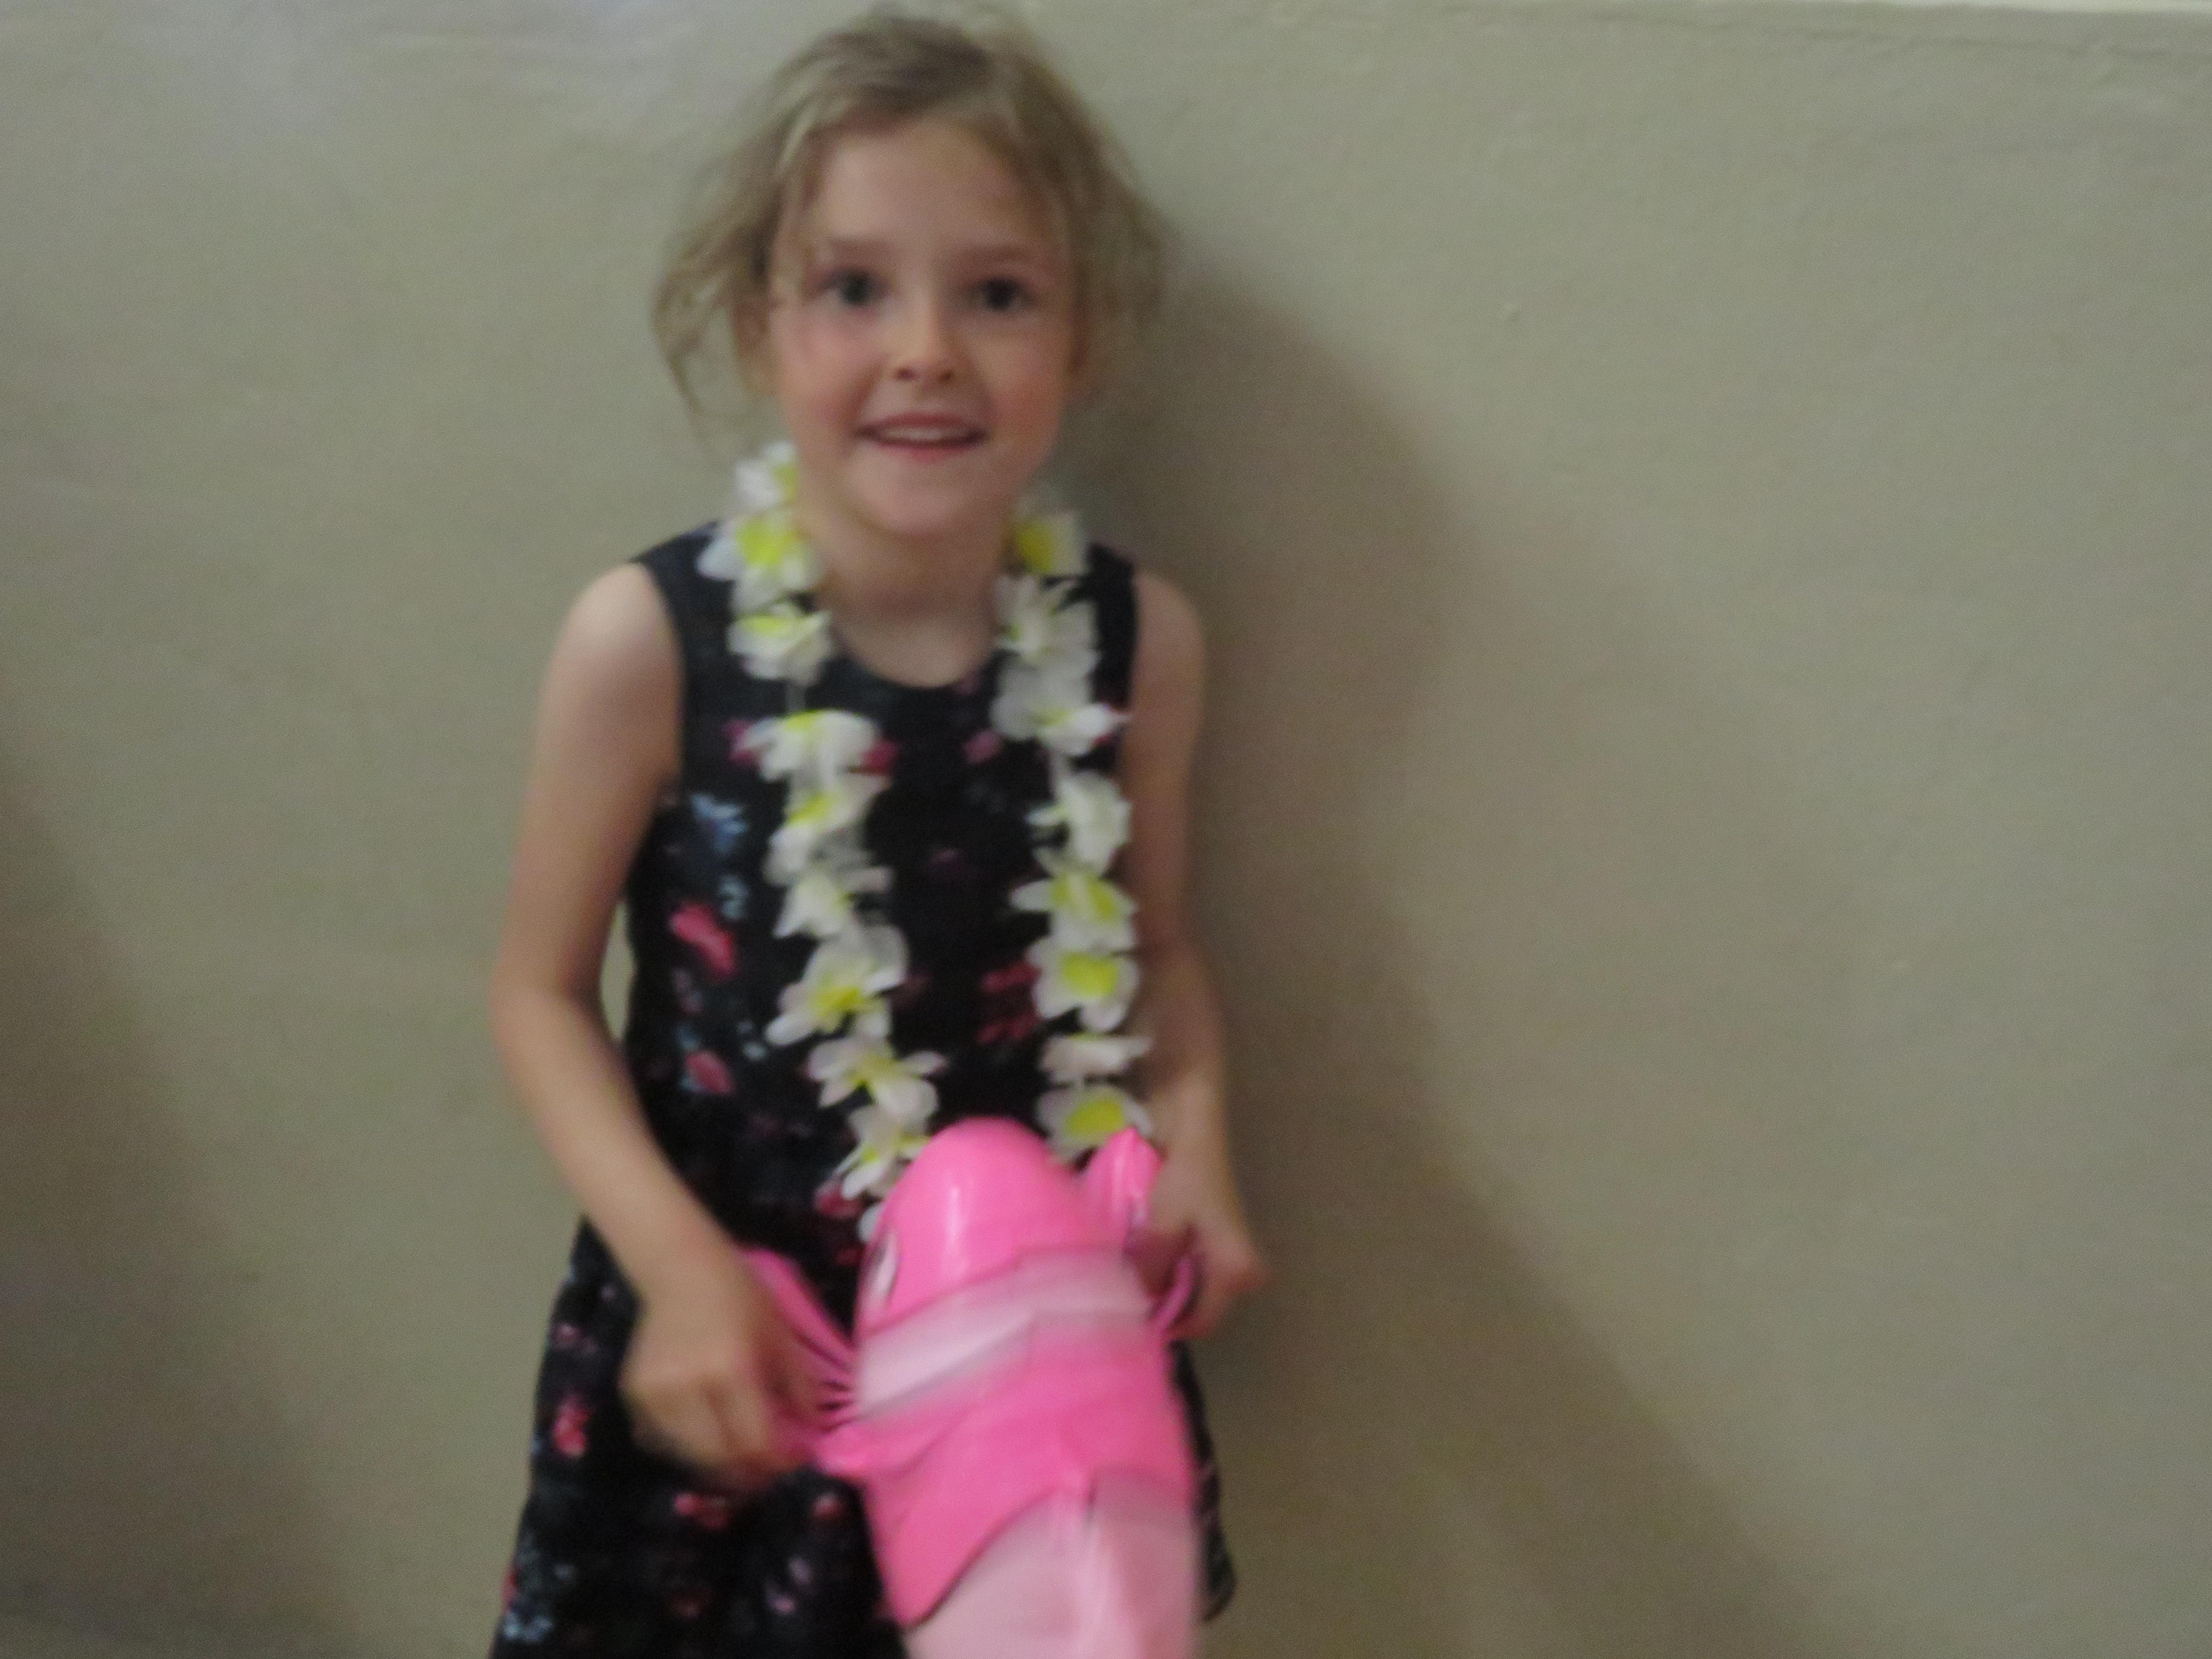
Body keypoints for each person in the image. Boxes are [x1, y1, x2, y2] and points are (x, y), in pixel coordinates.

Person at [485, 7, 1264, 1655]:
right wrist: (676, 1268)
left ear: (1081, 334)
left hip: (1028, 1368)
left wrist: (1194, 1142)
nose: (926, 350)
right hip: (747, 1343)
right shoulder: (650, 646)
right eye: (854, 287)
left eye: (999, 293)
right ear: (758, 324)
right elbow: (536, 996)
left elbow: (1158, 951)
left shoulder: (1139, 649)